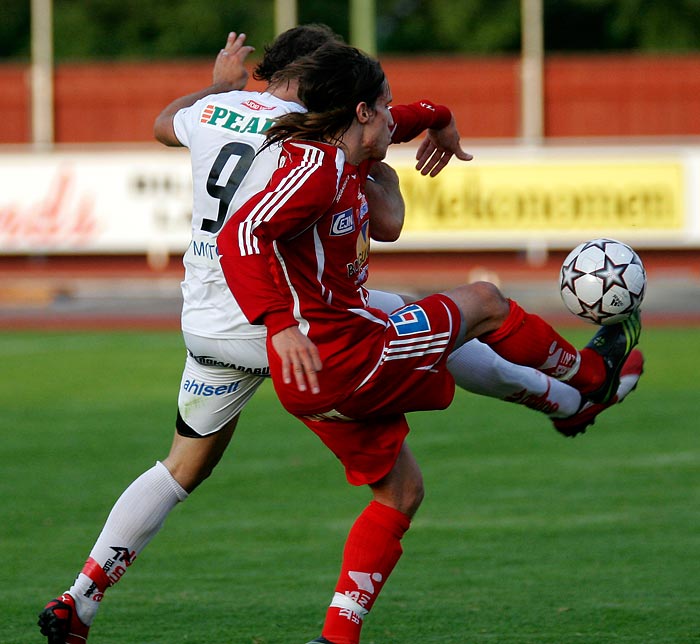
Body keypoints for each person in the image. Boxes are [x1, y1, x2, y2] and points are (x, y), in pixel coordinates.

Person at [37, 26, 643, 644]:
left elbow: (167, 122)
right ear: (317, 82)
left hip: (208, 323)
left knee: (181, 467)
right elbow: (377, 210)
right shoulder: (313, 143)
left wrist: (217, 85)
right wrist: (428, 128)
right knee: (448, 321)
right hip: (291, 325)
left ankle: (79, 599)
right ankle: (573, 394)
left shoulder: (217, 111)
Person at [216, 41, 642, 644]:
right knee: (486, 303)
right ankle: (593, 379)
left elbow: (401, 121)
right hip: (349, 355)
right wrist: (278, 322)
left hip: (311, 383)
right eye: (386, 109)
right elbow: (244, 235)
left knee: (402, 493)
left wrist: (436, 115)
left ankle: (335, 638)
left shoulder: (343, 150)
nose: (395, 119)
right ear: (361, 112)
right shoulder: (319, 169)